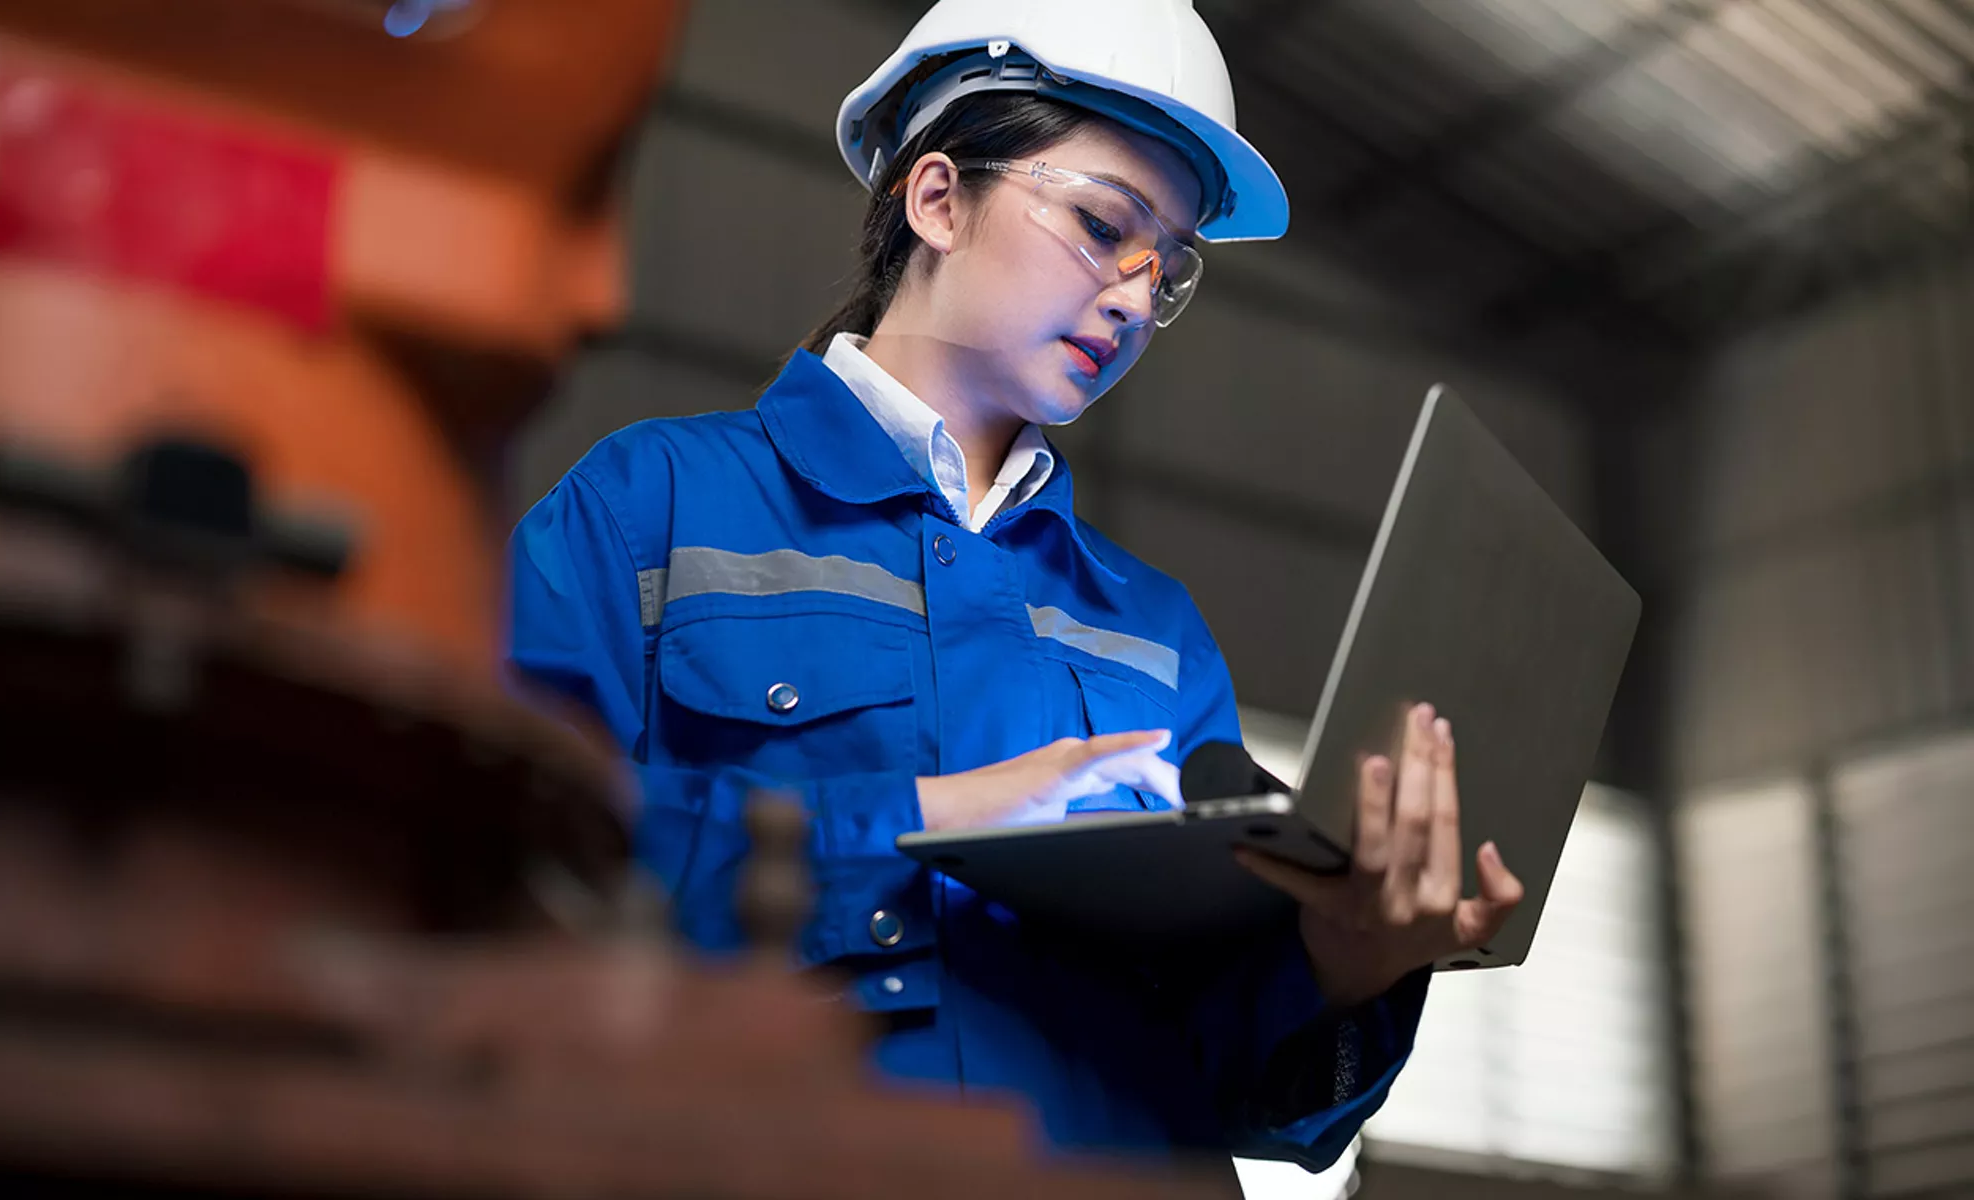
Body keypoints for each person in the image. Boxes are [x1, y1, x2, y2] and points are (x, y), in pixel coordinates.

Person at [508, 0, 1524, 1173]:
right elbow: (499, 873)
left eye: (1171, 266)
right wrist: (926, 821)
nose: (1138, 300)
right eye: (1103, 225)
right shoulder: (653, 510)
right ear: (935, 197)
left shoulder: (1152, 633)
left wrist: (1350, 961)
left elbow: (1233, 1081)